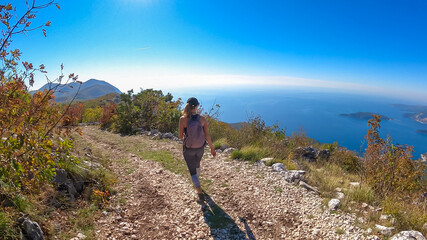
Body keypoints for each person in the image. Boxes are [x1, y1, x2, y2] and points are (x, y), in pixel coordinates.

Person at [179, 97, 216, 203]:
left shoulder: (182, 119)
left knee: (192, 172)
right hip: (200, 148)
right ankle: (197, 181)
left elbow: (181, 136)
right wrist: (212, 149)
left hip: (188, 149)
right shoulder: (202, 119)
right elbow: (207, 136)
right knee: (197, 164)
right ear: (197, 106)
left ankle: (200, 194)